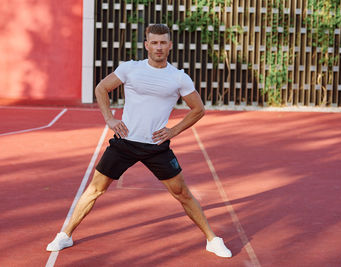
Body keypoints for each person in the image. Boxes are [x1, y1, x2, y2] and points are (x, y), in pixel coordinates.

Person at [47, 24, 232, 258]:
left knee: (182, 194)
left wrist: (173, 131)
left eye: (163, 42)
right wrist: (110, 118)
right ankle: (65, 235)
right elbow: (102, 88)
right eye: (154, 42)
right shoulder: (130, 69)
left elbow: (198, 109)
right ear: (146, 45)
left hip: (156, 147)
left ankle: (212, 240)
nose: (158, 47)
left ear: (170, 45)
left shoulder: (178, 78)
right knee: (95, 190)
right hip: (124, 142)